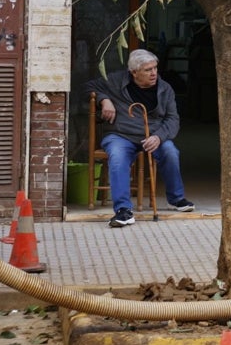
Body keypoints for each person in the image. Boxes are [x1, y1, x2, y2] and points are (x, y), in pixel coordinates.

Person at [83, 48, 194, 227]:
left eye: (155, 68)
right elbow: (87, 87)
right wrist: (104, 99)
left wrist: (158, 137)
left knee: (170, 151)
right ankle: (123, 211)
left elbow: (173, 119)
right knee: (118, 158)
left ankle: (177, 198)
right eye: (148, 70)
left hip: (153, 136)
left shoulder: (165, 89)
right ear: (134, 72)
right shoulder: (116, 80)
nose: (154, 73)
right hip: (121, 135)